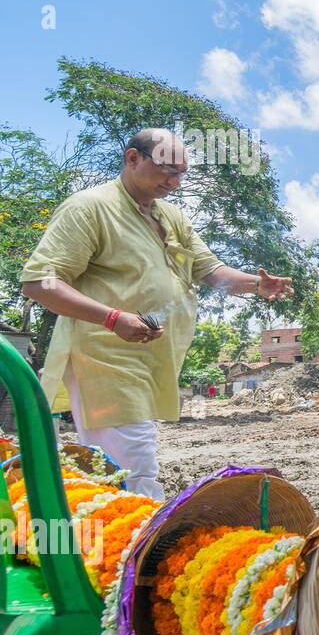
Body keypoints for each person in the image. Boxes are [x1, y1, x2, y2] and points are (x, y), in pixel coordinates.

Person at [20, 129, 294, 500]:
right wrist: (114, 319)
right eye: (167, 170)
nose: (175, 182)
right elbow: (39, 283)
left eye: (182, 173)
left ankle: (109, 535)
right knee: (134, 467)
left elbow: (209, 271)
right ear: (133, 159)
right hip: (104, 357)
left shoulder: (171, 216)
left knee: (115, 468)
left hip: (153, 359)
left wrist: (255, 285)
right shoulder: (89, 208)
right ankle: (138, 545)